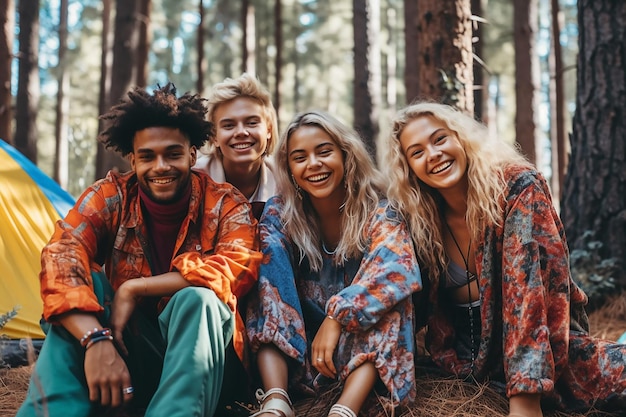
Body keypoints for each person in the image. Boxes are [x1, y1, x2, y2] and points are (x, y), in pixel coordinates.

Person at [16, 83, 262, 417]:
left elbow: (236, 268)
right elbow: (62, 253)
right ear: (132, 159)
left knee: (199, 298)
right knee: (85, 278)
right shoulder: (110, 196)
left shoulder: (226, 203)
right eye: (147, 156)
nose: (161, 166)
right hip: (129, 350)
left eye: (173, 154)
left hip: (210, 366)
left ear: (192, 155)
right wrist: (95, 339)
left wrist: (135, 287)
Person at [383, 101, 626, 417]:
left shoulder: (517, 187)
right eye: (416, 152)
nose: (432, 154)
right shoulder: (418, 217)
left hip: (546, 352)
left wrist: (525, 398)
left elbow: (527, 290)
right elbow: (392, 290)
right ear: (408, 168)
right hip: (463, 364)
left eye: (440, 139)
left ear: (461, 138)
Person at [246, 111, 423, 417]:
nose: (313, 164)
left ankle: (344, 411)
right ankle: (276, 400)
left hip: (364, 357)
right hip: (301, 353)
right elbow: (266, 273)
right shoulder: (281, 211)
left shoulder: (379, 207)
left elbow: (399, 269)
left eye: (324, 151)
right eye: (299, 157)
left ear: (346, 154)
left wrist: (338, 316)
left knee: (391, 296)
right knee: (264, 256)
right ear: (288, 168)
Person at [195, 73, 278, 220]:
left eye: (252, 123)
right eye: (229, 125)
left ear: (269, 130)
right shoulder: (195, 179)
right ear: (214, 136)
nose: (241, 132)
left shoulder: (284, 181)